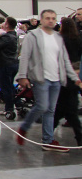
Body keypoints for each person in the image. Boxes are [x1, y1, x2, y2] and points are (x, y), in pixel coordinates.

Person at [15, 10, 82, 152]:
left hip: (57, 79)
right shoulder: (32, 36)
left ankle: (48, 140)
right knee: (42, 106)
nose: (50, 21)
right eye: (47, 18)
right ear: (41, 20)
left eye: (53, 18)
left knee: (50, 110)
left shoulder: (58, 37)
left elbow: (65, 60)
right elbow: (25, 56)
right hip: (41, 78)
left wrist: (75, 78)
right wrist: (22, 76)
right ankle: (24, 127)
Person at [53, 18, 82, 147]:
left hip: (63, 74)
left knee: (62, 108)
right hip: (76, 73)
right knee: (70, 107)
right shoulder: (78, 38)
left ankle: (48, 134)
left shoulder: (60, 39)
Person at [0, 17, 20, 117]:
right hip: (13, 63)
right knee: (10, 86)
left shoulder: (6, 37)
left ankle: (9, 109)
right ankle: (18, 104)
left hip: (5, 64)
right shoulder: (14, 35)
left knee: (6, 88)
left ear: (7, 25)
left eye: (5, 22)